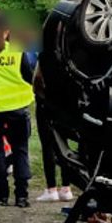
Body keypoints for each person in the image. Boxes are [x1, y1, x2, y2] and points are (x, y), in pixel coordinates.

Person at [0, 18, 35, 207]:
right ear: (7, 31)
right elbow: (29, 76)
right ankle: (22, 196)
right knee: (20, 150)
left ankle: (1, 195)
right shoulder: (17, 51)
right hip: (17, 108)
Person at [33, 64, 75, 203]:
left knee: (48, 146)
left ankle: (51, 189)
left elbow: (34, 76)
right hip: (64, 104)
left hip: (45, 101)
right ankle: (66, 187)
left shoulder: (44, 56)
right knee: (63, 144)